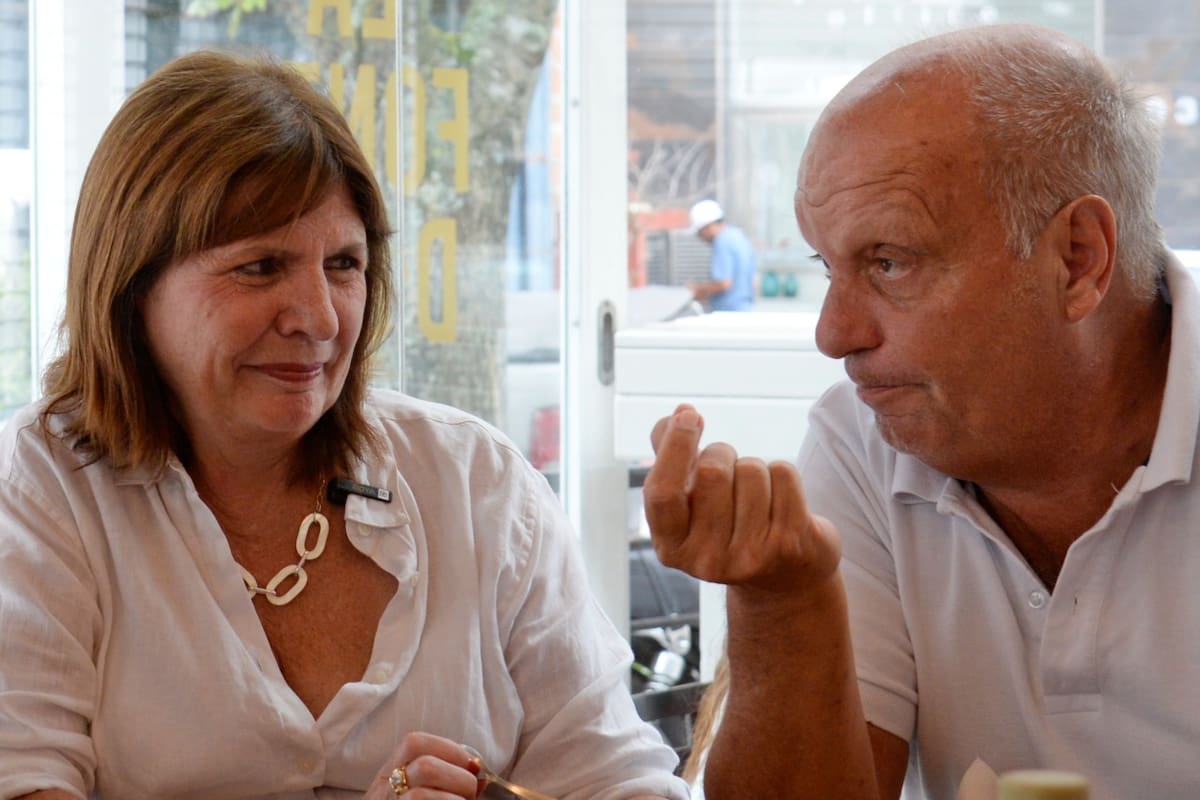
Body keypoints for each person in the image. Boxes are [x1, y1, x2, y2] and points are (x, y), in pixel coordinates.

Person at [0, 51, 690, 800]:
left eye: (343, 264)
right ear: (132, 285)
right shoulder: (42, 490)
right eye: (261, 267)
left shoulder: (475, 480)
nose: (320, 319)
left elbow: (620, 781)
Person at [644, 23, 1200, 800]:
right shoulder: (864, 439)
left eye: (889, 262)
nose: (833, 333)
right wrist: (782, 604)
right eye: (827, 266)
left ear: (1078, 258)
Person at [685, 199, 757, 311]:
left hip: (728, 313)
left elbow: (723, 283)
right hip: (745, 309)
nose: (701, 238)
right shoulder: (738, 236)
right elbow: (754, 281)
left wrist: (697, 291)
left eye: (699, 233)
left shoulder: (722, 241)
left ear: (708, 226)